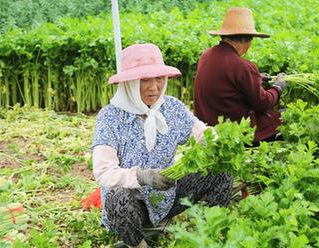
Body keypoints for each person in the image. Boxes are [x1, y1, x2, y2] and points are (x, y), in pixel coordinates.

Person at [92, 43, 233, 248]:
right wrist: (142, 176)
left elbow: (201, 133)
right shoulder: (110, 117)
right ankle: (139, 244)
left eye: (159, 78)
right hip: (133, 206)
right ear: (129, 83)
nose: (154, 87)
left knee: (221, 171)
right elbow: (104, 172)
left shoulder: (172, 108)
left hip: (168, 196)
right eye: (145, 80)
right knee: (116, 197)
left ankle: (208, 233)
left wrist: (221, 141)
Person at [194, 7, 287, 145]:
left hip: (207, 127)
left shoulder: (206, 55)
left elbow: (228, 82)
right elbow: (262, 103)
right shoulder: (243, 66)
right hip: (235, 133)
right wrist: (278, 87)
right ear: (247, 41)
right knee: (284, 118)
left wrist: (257, 78)